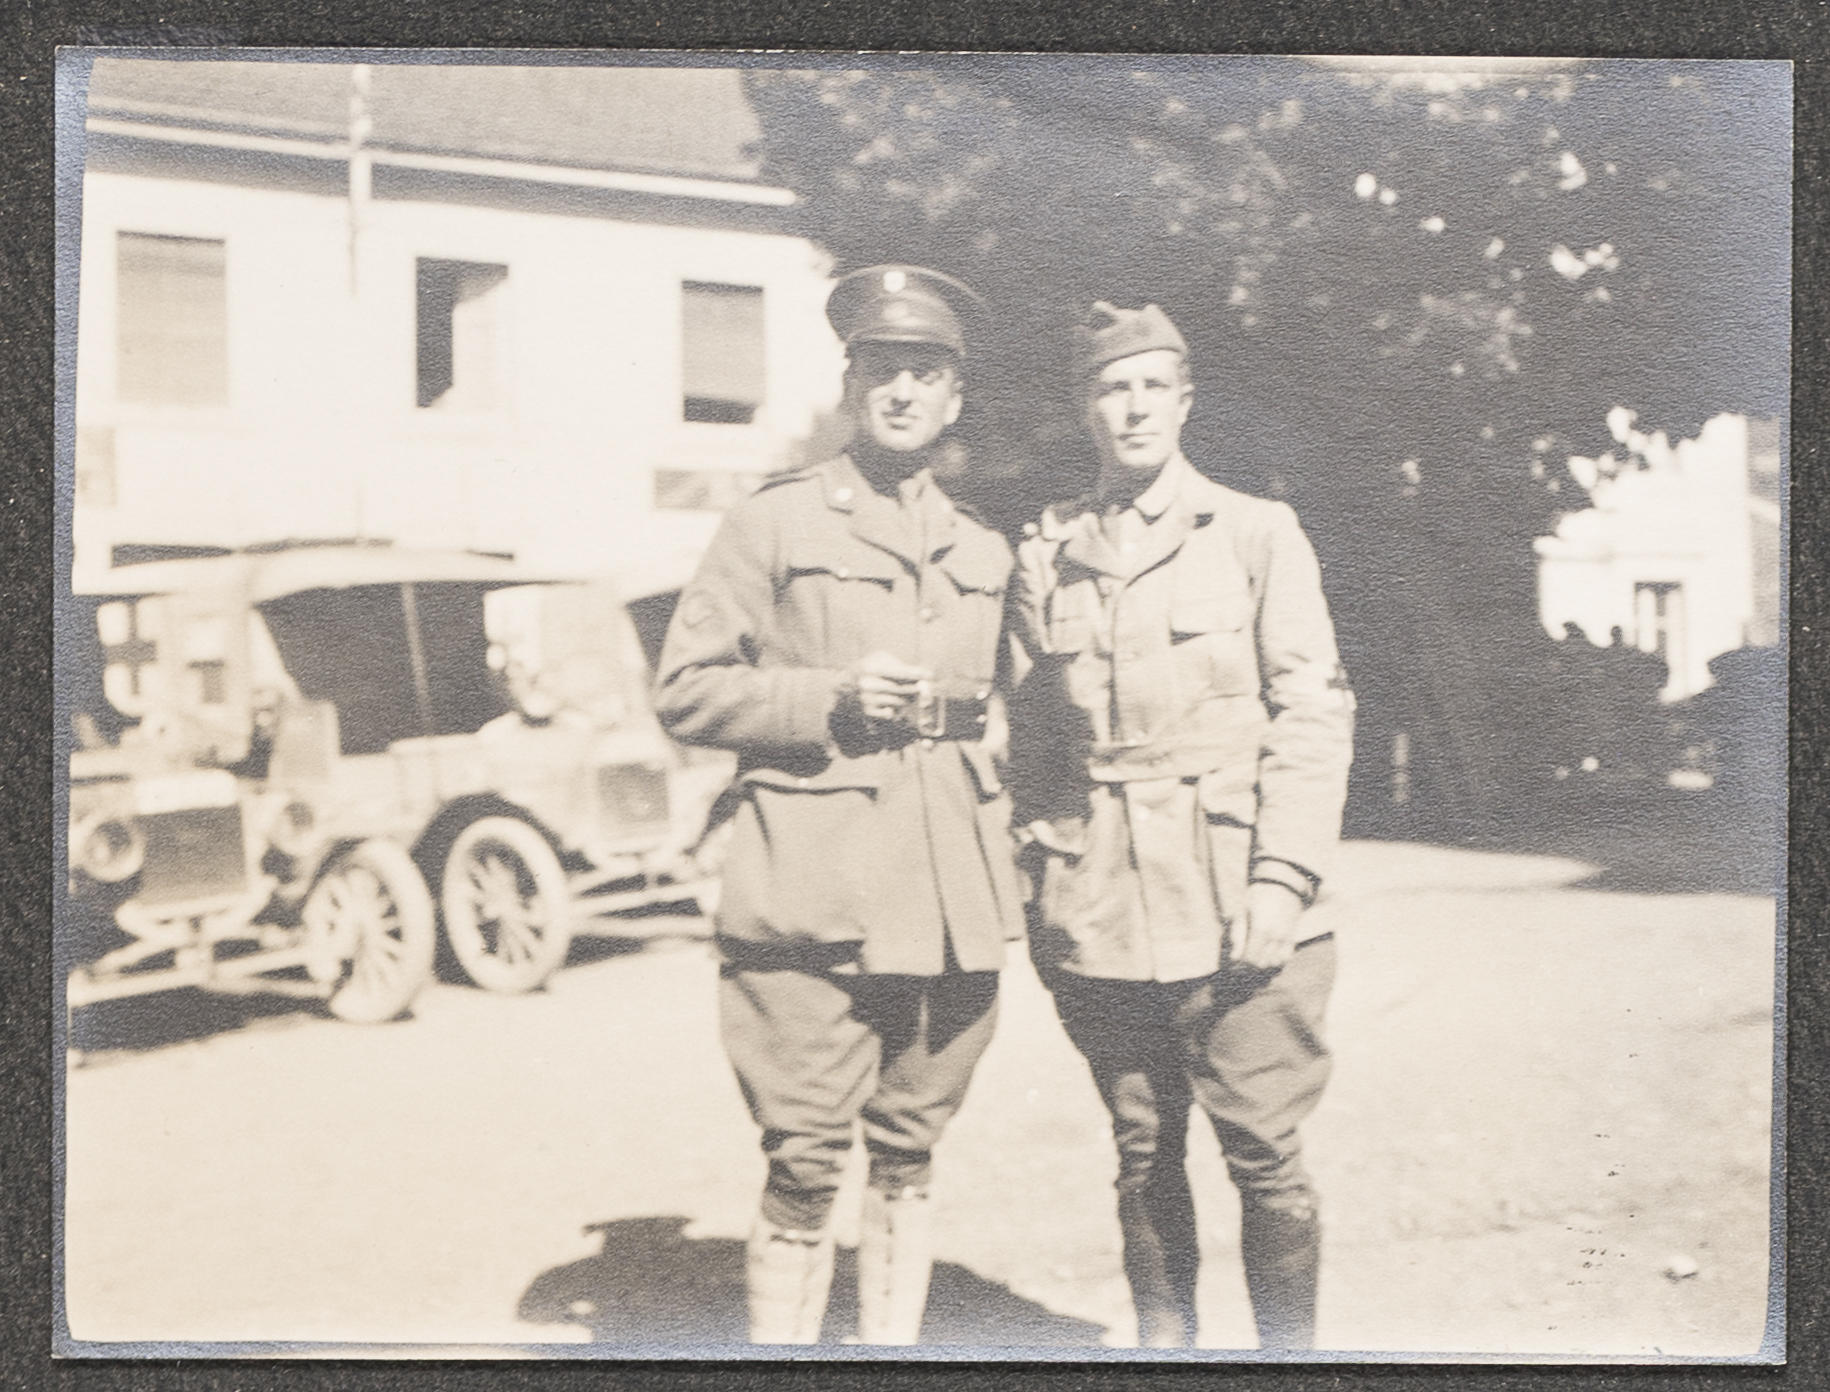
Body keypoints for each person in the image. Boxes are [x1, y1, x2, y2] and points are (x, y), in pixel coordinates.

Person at [653, 265, 1023, 1346]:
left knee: (910, 1154)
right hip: (809, 893)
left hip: (948, 895)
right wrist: (828, 699)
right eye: (882, 370)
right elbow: (686, 688)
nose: (903, 392)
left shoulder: (986, 547)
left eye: (926, 373)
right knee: (806, 1161)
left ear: (956, 396)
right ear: (851, 385)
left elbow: (1034, 707)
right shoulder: (774, 523)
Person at [1008, 301, 1355, 1350]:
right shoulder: (1051, 552)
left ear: (1186, 400)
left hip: (1235, 894)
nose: (1134, 407)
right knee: (1143, 1145)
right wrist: (1045, 872)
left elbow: (1313, 709)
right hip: (1103, 904)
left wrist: (1282, 880)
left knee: (1261, 1146)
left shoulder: (1257, 532)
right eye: (1113, 388)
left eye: (1155, 385)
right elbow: (1030, 745)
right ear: (1085, 407)